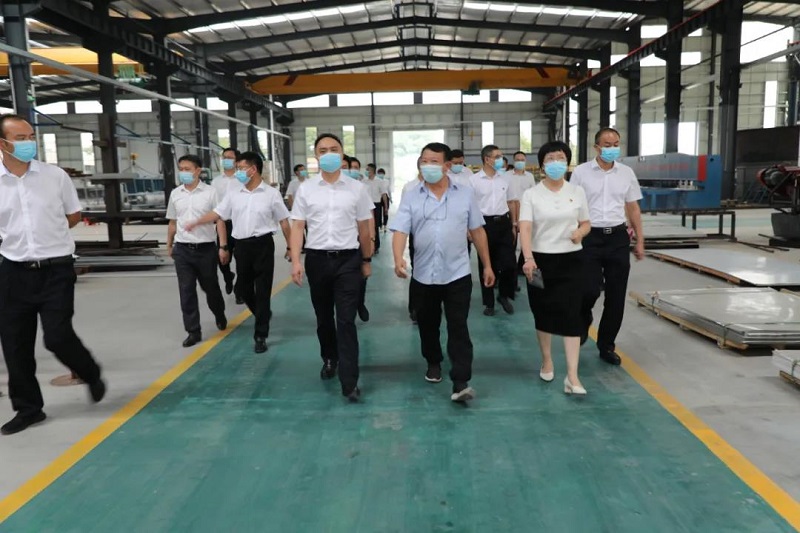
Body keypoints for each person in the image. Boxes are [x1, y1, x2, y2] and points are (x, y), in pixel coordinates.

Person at [0, 114, 105, 435]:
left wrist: (49, 235)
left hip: (56, 269)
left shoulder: (54, 176)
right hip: (13, 271)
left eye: (31, 136)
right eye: (20, 138)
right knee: (15, 345)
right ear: (2, 144)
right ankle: (29, 409)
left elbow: (73, 215)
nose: (29, 143)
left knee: (57, 336)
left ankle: (89, 371)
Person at [391, 143, 495, 403]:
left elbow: (477, 230)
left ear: (447, 166)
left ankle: (460, 381)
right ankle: (433, 361)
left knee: (458, 326)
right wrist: (398, 258)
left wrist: (487, 264)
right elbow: (401, 230)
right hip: (424, 274)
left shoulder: (465, 194)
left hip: (457, 273)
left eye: (434, 161)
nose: (427, 166)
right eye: (424, 161)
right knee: (428, 324)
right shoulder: (412, 195)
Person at [290, 133, 373, 402]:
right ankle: (329, 357)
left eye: (333, 149)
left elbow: (364, 228)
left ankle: (350, 381)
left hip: (348, 260)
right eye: (323, 150)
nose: (328, 154)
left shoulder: (356, 188)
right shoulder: (306, 189)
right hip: (317, 260)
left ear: (342, 152)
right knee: (324, 317)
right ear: (316, 156)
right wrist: (296, 261)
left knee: (346, 320)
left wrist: (366, 260)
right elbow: (298, 226)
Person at [186, 151, 291, 354]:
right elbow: (218, 213)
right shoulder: (234, 193)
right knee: (242, 288)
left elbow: (284, 222)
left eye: (241, 168)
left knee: (263, 290)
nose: (238, 172)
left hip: (263, 245)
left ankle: (260, 335)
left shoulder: (271, 194)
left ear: (253, 169)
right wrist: (197, 221)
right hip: (242, 246)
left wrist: (290, 248)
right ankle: (262, 313)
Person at [519, 141, 591, 395]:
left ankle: (572, 376)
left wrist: (580, 232)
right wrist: (528, 258)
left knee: (573, 315)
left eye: (560, 158)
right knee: (544, 313)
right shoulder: (531, 195)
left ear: (567, 163)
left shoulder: (577, 191)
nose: (556, 163)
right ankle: (547, 360)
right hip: (540, 261)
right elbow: (525, 227)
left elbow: (586, 222)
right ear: (542, 165)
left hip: (572, 260)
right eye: (550, 159)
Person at [570, 127, 645, 366]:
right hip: (589, 237)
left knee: (616, 295)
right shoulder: (581, 172)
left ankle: (606, 345)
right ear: (596, 147)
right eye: (607, 144)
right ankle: (583, 318)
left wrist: (640, 240)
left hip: (617, 238)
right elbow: (571, 205)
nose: (612, 148)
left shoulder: (626, 173)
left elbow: (633, 208)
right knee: (589, 289)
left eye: (615, 144)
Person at [166, 154, 229, 348]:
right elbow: (173, 222)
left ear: (198, 170)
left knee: (211, 288)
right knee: (186, 291)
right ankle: (193, 331)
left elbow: (219, 220)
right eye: (181, 169)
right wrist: (169, 244)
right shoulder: (175, 194)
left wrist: (223, 246)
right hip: (183, 249)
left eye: (187, 169)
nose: (183, 172)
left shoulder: (211, 192)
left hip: (205, 249)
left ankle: (219, 313)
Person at [470, 145, 518, 316]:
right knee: (486, 263)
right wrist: (470, 229)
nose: (501, 159)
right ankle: (489, 303)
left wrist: (514, 224)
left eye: (501, 156)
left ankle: (503, 295)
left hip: (504, 223)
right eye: (497, 156)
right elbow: (469, 206)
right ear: (487, 159)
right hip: (483, 225)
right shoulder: (473, 181)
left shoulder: (505, 179)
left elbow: (511, 202)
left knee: (509, 263)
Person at [211, 148, 241, 299]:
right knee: (222, 258)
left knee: (241, 259)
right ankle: (228, 276)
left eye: (230, 157)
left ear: (237, 161)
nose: (226, 160)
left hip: (240, 224)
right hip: (223, 224)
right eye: (224, 157)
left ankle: (239, 291)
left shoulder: (242, 180)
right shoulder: (216, 182)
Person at [506, 151, 536, 292]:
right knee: (511, 249)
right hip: (510, 214)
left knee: (523, 247)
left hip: (525, 215)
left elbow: (533, 196)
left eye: (522, 159)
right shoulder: (506, 176)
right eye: (517, 159)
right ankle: (510, 281)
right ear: (514, 160)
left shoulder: (529, 177)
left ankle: (519, 275)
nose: (520, 161)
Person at [350, 156, 374, 322]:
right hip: (345, 239)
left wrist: (371, 238)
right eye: (349, 167)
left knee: (362, 275)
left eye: (355, 167)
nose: (352, 170)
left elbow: (369, 216)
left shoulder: (362, 188)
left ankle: (360, 302)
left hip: (361, 237)